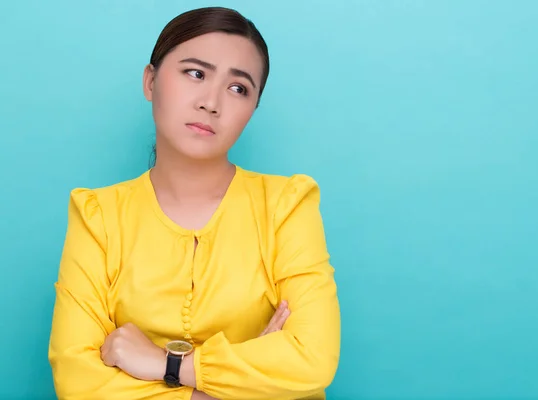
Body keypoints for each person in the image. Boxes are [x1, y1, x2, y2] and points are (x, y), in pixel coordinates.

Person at [48, 6, 341, 400]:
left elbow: (313, 358)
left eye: (239, 88)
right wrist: (246, 382)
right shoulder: (97, 216)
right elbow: (77, 381)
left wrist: (164, 365)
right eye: (196, 73)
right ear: (151, 81)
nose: (211, 102)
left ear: (252, 109)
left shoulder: (286, 206)